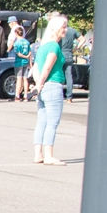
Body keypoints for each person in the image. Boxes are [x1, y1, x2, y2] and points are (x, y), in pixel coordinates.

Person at [31, 15, 70, 164]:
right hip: (52, 85)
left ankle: (38, 154)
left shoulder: (42, 47)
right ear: (55, 28)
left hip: (43, 88)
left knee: (41, 121)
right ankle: (48, 155)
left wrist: (38, 85)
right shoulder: (54, 46)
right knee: (52, 122)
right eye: (63, 27)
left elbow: (35, 68)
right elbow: (47, 67)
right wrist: (41, 83)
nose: (65, 30)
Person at [11, 23, 32, 102]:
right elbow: (30, 53)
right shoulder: (27, 42)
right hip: (26, 62)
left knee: (19, 79)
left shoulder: (17, 43)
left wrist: (24, 56)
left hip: (19, 62)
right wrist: (30, 63)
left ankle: (17, 95)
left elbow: (18, 53)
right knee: (25, 79)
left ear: (16, 33)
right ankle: (26, 95)